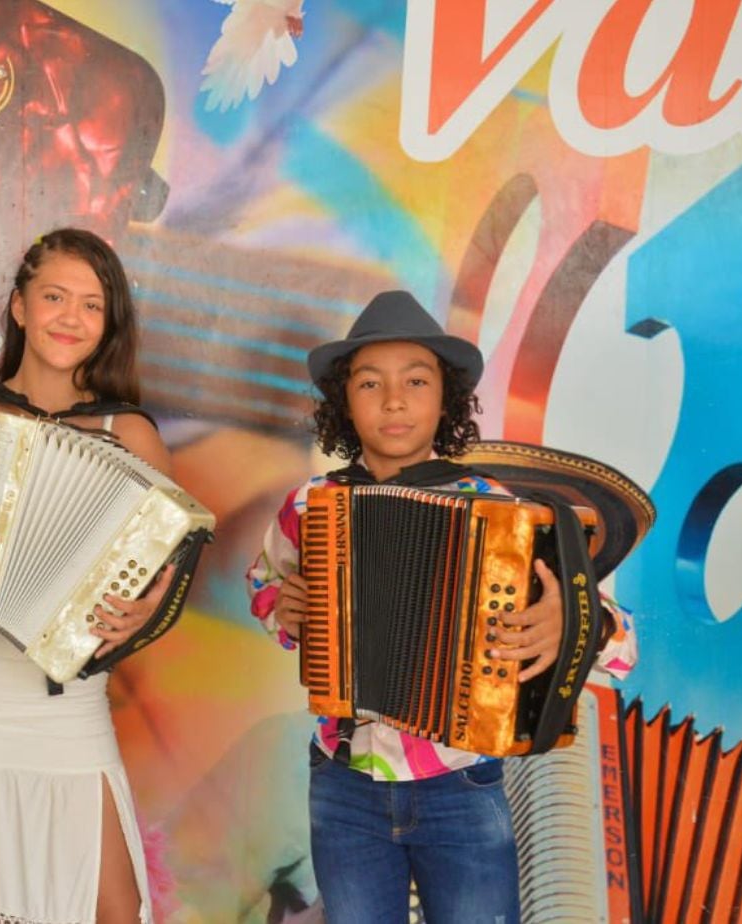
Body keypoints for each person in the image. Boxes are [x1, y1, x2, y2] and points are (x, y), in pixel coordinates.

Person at [244, 290, 638, 922]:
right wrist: (283, 613)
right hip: (343, 786)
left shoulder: (504, 513)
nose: (394, 400)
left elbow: (622, 648)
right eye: (369, 383)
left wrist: (572, 625)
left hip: (460, 782)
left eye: (416, 381)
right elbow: (265, 585)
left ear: (445, 399)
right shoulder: (309, 505)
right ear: (345, 402)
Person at [0, 228, 180, 923]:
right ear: (20, 306)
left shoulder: (129, 434)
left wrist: (148, 610)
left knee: (113, 910)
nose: (70, 317)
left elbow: (171, 564)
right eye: (54, 297)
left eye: (91, 304)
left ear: (108, 324)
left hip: (66, 698)